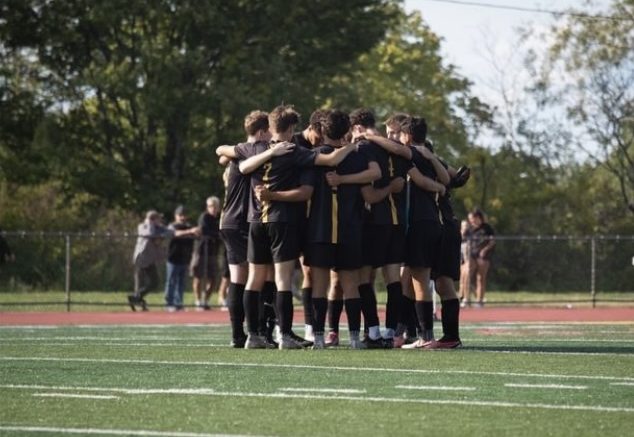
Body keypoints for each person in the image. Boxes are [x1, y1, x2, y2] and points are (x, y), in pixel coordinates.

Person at [130, 210, 197, 311]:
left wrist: (189, 231)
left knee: (154, 282)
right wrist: (150, 223)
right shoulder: (143, 226)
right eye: (158, 218)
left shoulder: (158, 228)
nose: (160, 220)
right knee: (139, 283)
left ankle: (136, 298)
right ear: (152, 219)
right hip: (140, 259)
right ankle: (137, 300)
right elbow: (149, 234)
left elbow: (173, 232)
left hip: (150, 260)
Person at [190, 197, 222, 310]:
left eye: (215, 206)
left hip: (213, 252)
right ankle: (198, 301)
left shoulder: (219, 218)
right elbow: (205, 231)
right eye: (210, 206)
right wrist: (218, 234)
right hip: (201, 251)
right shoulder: (204, 217)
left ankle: (205, 300)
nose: (213, 208)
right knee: (198, 276)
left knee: (213, 278)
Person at [164, 205, 197, 311]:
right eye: (180, 215)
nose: (182, 217)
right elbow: (175, 233)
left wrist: (196, 231)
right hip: (173, 259)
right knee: (171, 281)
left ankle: (178, 303)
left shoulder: (188, 226)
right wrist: (190, 231)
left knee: (181, 283)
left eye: (184, 215)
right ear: (175, 216)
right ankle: (169, 303)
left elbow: (196, 234)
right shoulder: (172, 226)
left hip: (184, 259)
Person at [470, 209, 495, 307]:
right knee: (467, 276)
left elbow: (492, 241)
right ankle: (466, 298)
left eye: (473, 218)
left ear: (478, 218)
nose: (472, 221)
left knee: (480, 278)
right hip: (472, 255)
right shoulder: (471, 229)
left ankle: (480, 300)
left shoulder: (487, 228)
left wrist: (484, 250)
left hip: (483, 256)